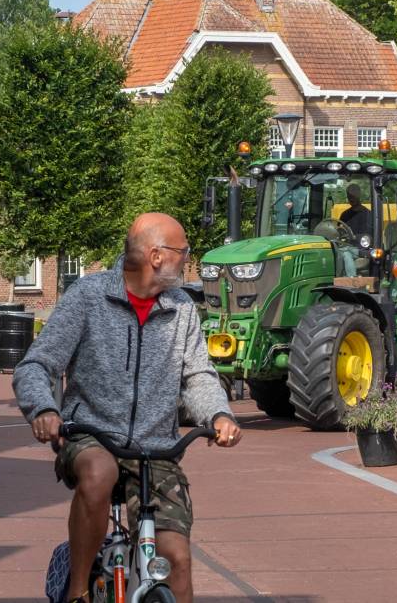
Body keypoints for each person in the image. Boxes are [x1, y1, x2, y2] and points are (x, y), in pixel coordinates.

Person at [14, 213, 241, 603]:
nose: (187, 260)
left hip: (156, 448)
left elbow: (198, 376)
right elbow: (36, 365)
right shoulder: (89, 297)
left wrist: (219, 415)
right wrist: (44, 409)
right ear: (156, 256)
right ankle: (78, 590)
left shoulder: (181, 308)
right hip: (90, 434)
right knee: (99, 473)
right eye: (182, 252)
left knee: (177, 559)